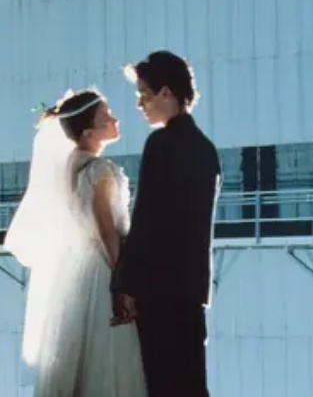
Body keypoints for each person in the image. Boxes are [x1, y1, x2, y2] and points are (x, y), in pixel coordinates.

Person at [6, 89, 148, 397]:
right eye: (105, 116)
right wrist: (122, 283)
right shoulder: (99, 170)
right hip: (102, 268)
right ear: (89, 133)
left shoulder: (66, 167)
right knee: (107, 357)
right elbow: (107, 231)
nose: (115, 119)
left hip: (75, 271)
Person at [111, 51, 221, 397]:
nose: (140, 104)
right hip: (189, 292)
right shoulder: (205, 148)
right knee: (191, 384)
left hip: (157, 290)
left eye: (144, 95)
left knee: (160, 384)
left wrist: (124, 284)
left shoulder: (161, 144)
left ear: (167, 92)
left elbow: (147, 220)